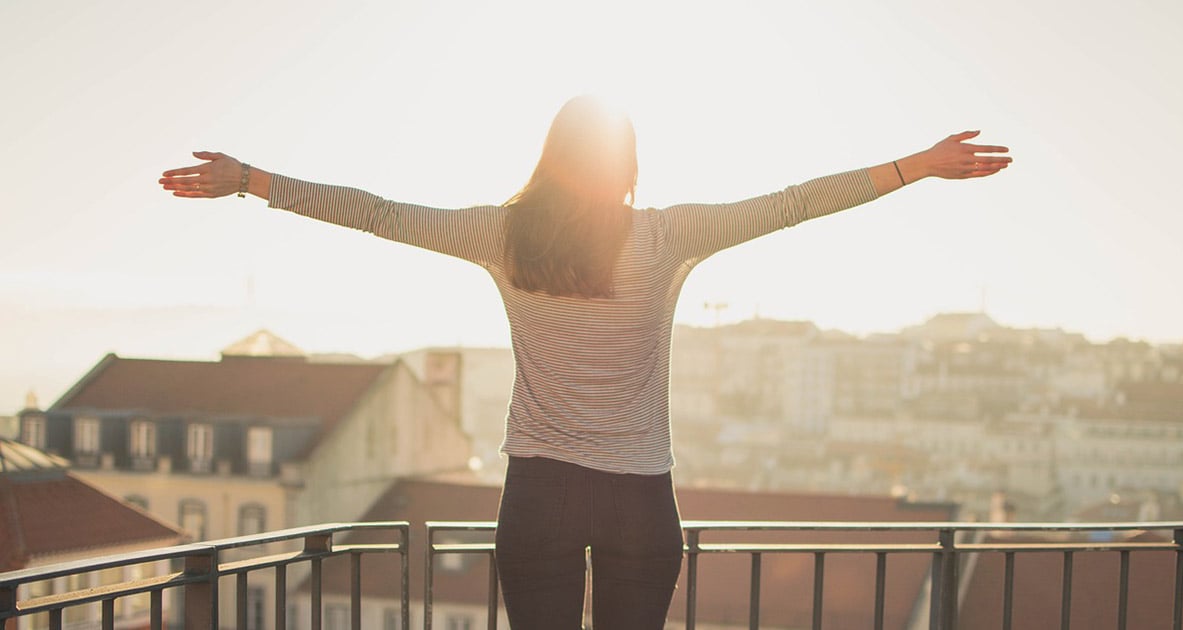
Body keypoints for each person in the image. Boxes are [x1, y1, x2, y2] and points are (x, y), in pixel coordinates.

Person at [160, 95, 1010, 629]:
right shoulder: (668, 235)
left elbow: (380, 214)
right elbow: (791, 206)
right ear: (628, 164)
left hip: (538, 493)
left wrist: (252, 180)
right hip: (641, 498)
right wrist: (916, 168)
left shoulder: (502, 233)